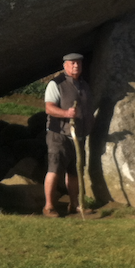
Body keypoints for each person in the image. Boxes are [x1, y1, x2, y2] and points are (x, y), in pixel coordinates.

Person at [43, 52, 94, 217]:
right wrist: (66, 113)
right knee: (54, 169)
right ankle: (49, 206)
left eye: (78, 63)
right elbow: (49, 108)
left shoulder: (84, 85)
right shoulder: (56, 84)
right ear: (64, 65)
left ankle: (74, 205)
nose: (76, 66)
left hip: (78, 137)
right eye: (72, 63)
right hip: (59, 135)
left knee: (75, 171)